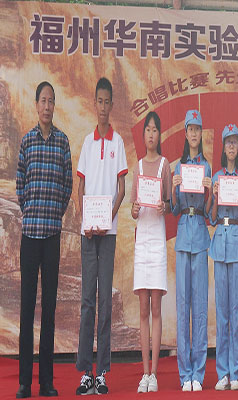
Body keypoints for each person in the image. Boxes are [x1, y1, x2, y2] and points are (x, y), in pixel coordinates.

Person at [16, 81, 73, 399]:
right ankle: (25, 382)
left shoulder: (62, 142)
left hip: (52, 235)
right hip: (29, 235)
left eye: (51, 101)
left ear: (54, 105)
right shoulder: (27, 141)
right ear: (36, 105)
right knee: (27, 309)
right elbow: (19, 183)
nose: (47, 106)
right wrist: (31, 209)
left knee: (49, 309)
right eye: (43, 100)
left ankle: (46, 382)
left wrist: (55, 213)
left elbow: (67, 184)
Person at [75, 77, 128, 395]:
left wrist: (106, 219)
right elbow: (80, 186)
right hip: (88, 233)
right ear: (94, 103)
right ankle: (85, 372)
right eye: (100, 101)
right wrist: (86, 219)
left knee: (105, 300)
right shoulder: (87, 142)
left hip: (107, 233)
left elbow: (121, 188)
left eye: (108, 101)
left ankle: (103, 372)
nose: (104, 106)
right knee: (87, 301)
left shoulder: (118, 143)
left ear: (112, 105)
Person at [171, 109, 213, 391]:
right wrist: (174, 189)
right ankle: (184, 373)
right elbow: (175, 209)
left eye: (198, 128)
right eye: (191, 129)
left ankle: (198, 372)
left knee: (199, 307)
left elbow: (209, 213)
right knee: (182, 305)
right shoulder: (179, 168)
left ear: (201, 133)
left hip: (199, 234)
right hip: (183, 234)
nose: (195, 133)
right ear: (185, 133)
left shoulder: (206, 168)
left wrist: (210, 192)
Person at [130, 112, 172, 392]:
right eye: (148, 130)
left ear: (159, 135)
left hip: (157, 240)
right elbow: (134, 209)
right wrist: (134, 209)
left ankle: (154, 373)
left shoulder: (165, 166)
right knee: (143, 308)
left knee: (156, 307)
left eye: (155, 130)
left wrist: (163, 206)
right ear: (143, 134)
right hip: (141, 241)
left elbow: (168, 203)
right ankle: (143, 372)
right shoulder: (137, 167)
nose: (151, 134)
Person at [209, 124, 238, 391]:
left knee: (235, 312)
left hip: (236, 242)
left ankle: (234, 372)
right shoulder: (217, 177)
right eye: (228, 142)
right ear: (223, 148)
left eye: (235, 142)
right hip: (219, 244)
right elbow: (212, 218)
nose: (232, 146)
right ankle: (222, 372)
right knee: (222, 313)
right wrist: (214, 196)